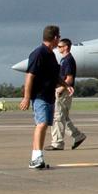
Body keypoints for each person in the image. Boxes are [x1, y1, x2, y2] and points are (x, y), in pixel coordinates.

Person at [19, 25, 62, 170]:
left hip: (49, 96)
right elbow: (30, 75)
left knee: (44, 126)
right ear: (55, 38)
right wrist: (26, 97)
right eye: (59, 37)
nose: (59, 40)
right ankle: (36, 157)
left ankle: (36, 157)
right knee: (41, 124)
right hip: (39, 96)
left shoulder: (51, 54)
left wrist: (65, 85)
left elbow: (54, 75)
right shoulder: (39, 53)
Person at [47, 38, 86, 151]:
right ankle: (78, 136)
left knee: (57, 117)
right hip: (63, 90)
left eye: (59, 46)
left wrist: (60, 89)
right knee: (63, 117)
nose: (57, 48)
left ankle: (57, 143)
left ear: (66, 47)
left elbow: (69, 79)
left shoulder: (68, 60)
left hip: (63, 92)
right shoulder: (64, 60)